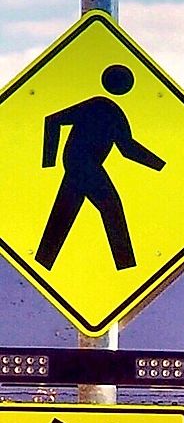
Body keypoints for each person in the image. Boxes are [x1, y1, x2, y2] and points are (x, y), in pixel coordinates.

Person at [36, 64, 164, 271]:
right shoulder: (98, 106)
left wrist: (160, 166)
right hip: (81, 163)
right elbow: (53, 120)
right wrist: (47, 162)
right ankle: (126, 265)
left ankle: (43, 261)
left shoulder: (114, 113)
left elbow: (127, 148)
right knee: (111, 207)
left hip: (82, 164)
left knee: (64, 211)